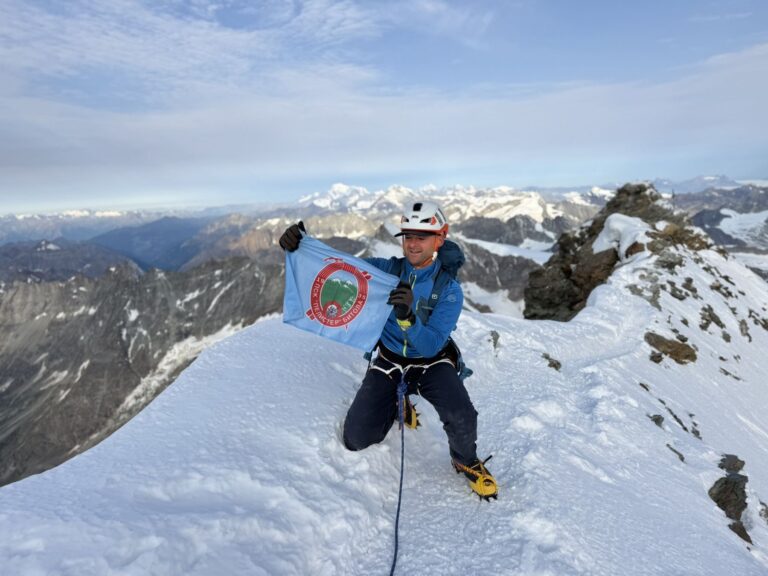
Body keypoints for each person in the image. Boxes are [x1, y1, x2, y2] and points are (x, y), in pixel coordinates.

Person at [280, 201, 497, 500]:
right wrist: (301, 247)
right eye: (409, 236)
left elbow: (432, 343)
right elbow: (342, 269)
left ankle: (464, 459)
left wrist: (408, 319)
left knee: (462, 415)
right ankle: (398, 402)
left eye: (422, 236)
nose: (413, 243)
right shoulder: (387, 271)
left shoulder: (448, 289)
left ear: (440, 239)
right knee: (357, 438)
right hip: (390, 360)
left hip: (431, 362)